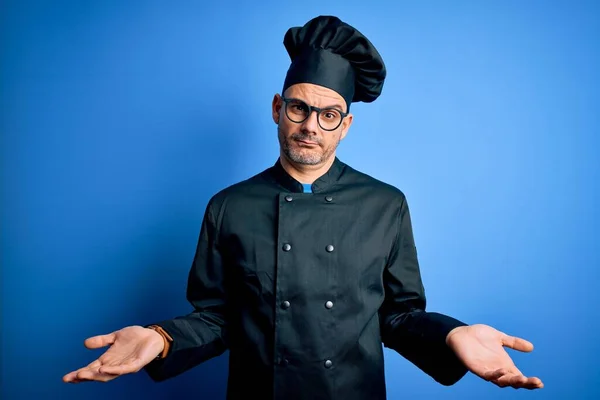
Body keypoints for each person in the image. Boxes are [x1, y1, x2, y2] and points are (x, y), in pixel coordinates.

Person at [63, 15, 543, 399]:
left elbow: (397, 317)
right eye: (298, 108)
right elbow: (216, 317)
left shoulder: (386, 204)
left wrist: (450, 337)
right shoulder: (228, 206)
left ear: (346, 125)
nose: (310, 125)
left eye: (328, 114)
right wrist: (160, 339)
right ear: (277, 108)